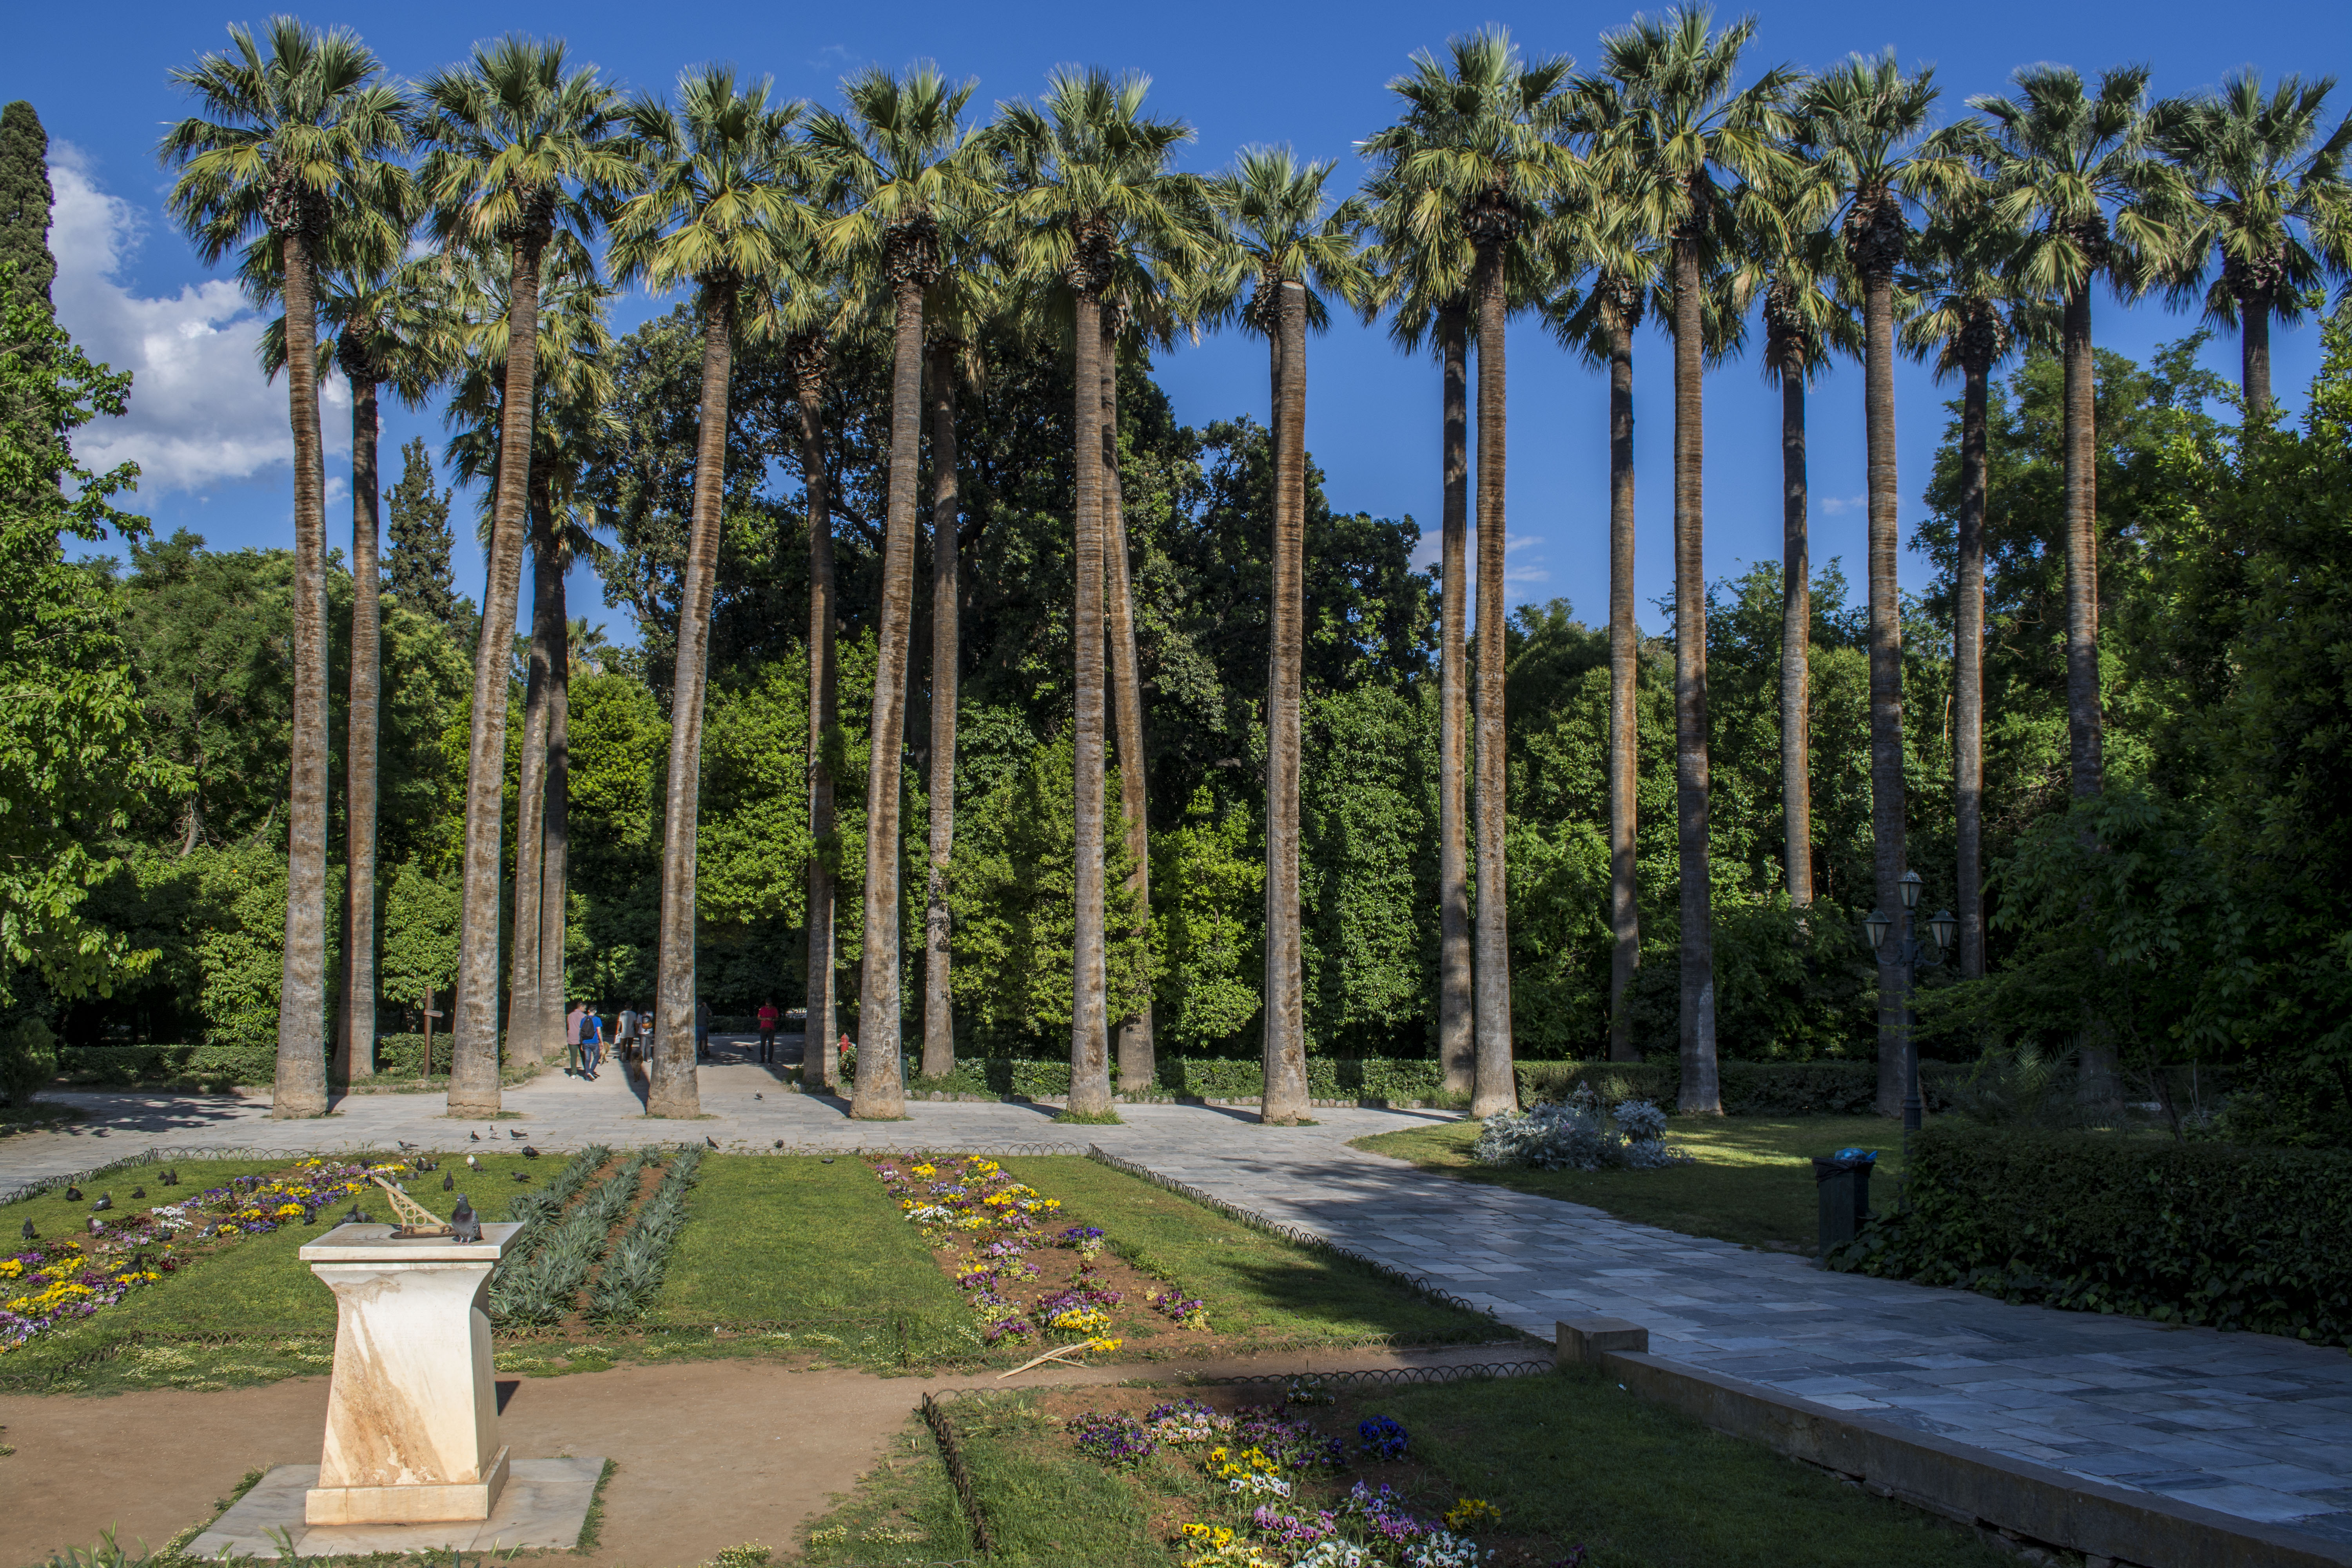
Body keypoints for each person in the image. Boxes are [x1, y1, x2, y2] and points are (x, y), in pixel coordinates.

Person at [581, 1007, 604, 1080]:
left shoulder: (583, 1019)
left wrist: (581, 1043)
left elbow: (581, 1032)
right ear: (596, 1011)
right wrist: (602, 1042)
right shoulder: (597, 1019)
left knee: (587, 1059)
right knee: (597, 1056)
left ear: (589, 1011)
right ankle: (591, 1072)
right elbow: (599, 1032)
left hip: (585, 1042)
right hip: (594, 1042)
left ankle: (587, 1077)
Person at [564, 1001, 586, 1077]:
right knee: (585, 1056)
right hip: (582, 1038)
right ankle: (587, 1071)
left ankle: (573, 1074)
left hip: (572, 1037)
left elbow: (568, 1026)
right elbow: (586, 1028)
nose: (585, 1010)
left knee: (573, 1057)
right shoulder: (584, 1016)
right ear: (581, 1007)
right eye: (584, 1008)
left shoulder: (570, 1016)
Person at [757, 999, 780, 1063]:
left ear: (772, 1004)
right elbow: (758, 1017)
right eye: (767, 1006)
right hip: (763, 1028)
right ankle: (762, 1059)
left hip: (771, 1029)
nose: (768, 1007)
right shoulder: (763, 1009)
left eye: (770, 1006)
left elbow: (777, 1018)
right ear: (766, 1004)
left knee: (771, 1045)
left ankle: (770, 1060)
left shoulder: (774, 1009)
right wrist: (763, 1019)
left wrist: (772, 1019)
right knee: (762, 1044)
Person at [695, 998, 711, 1062]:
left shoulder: (695, 1010)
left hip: (697, 1026)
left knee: (697, 1041)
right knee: (703, 1040)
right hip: (703, 1026)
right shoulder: (705, 1009)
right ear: (702, 1004)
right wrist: (706, 1006)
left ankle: (697, 1055)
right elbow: (710, 1014)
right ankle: (702, 1053)